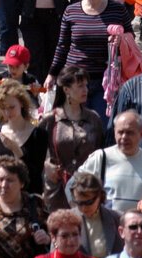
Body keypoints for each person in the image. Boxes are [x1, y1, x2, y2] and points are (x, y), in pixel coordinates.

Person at [46, 0, 132, 116]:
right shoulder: (71, 11)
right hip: (74, 81)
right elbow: (62, 46)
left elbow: (131, 37)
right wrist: (52, 73)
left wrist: (122, 40)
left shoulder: (117, 10)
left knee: (102, 128)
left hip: (105, 82)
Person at [40, 65, 106, 210]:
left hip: (86, 190)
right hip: (56, 190)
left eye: (86, 86)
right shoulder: (50, 120)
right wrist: (46, 165)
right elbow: (35, 151)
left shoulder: (94, 119)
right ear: (66, 89)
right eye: (80, 86)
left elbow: (102, 154)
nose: (86, 90)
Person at [0, 79, 49, 197]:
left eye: (11, 107)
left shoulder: (39, 134)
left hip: (28, 202)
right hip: (1, 201)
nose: (8, 112)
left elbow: (35, 177)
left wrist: (18, 153)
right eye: (3, 107)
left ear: (21, 103)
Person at [73, 111, 142, 213]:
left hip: (140, 227)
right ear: (114, 133)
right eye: (120, 132)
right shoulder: (101, 157)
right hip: (108, 226)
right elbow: (72, 185)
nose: (124, 137)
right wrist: (81, 212)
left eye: (129, 132)